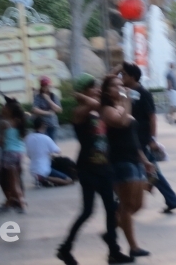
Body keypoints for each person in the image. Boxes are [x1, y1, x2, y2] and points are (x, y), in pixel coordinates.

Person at [57, 74, 133, 265]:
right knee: (87, 211)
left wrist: (122, 98)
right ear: (84, 91)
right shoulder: (80, 112)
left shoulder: (98, 111)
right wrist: (81, 96)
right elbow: (94, 103)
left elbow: (119, 116)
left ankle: (113, 252)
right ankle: (65, 249)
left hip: (104, 167)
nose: (98, 90)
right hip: (88, 168)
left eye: (98, 87)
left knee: (111, 209)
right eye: (93, 87)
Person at [102, 74, 155, 258]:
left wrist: (144, 160)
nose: (120, 87)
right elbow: (122, 122)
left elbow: (133, 138)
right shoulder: (106, 109)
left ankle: (111, 230)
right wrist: (126, 99)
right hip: (120, 161)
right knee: (127, 205)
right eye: (115, 85)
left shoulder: (122, 106)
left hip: (134, 159)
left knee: (138, 204)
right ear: (106, 91)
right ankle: (133, 246)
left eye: (121, 84)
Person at [120, 62, 176, 214]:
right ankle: (169, 198)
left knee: (151, 171)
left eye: (124, 74)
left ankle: (170, 198)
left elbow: (152, 117)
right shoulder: (127, 93)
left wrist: (153, 139)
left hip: (142, 139)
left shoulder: (143, 93)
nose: (122, 77)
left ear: (133, 76)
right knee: (151, 171)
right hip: (132, 138)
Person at [0, 98, 27, 211]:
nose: (3, 108)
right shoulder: (19, 122)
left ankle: (21, 203)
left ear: (9, 111)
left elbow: (2, 141)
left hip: (9, 153)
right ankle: (13, 201)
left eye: (5, 107)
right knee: (16, 180)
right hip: (19, 153)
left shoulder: (5, 123)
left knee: (13, 182)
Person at [25, 116, 73, 187]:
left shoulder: (28, 138)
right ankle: (44, 178)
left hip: (33, 169)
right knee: (69, 180)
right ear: (43, 125)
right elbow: (58, 151)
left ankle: (41, 179)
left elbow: (29, 155)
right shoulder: (46, 138)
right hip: (44, 169)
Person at [32, 77, 63, 141]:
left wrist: (48, 100)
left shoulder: (53, 96)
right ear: (41, 87)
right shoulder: (38, 97)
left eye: (47, 85)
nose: (46, 87)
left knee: (52, 143)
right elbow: (35, 109)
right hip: (42, 125)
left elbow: (59, 110)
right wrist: (48, 113)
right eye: (44, 86)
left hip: (53, 124)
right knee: (44, 143)